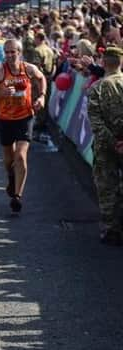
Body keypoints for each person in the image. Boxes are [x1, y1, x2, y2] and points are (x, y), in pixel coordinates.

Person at [0, 39, 47, 214]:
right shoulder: (0, 72)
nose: (10, 55)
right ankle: (11, 177)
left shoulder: (29, 69)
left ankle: (17, 196)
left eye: (13, 52)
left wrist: (41, 96)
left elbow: (41, 79)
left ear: (20, 52)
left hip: (25, 117)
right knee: (8, 159)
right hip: (4, 119)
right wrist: (0, 93)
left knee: (20, 156)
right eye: (7, 52)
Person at [87, 46, 123, 246]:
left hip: (105, 146)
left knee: (107, 188)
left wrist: (113, 142)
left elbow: (96, 123)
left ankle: (111, 230)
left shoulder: (97, 88)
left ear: (103, 62)